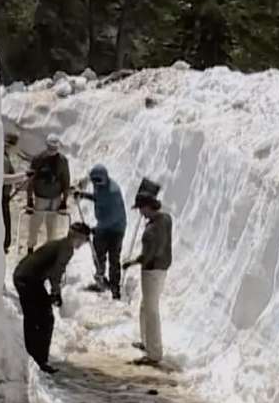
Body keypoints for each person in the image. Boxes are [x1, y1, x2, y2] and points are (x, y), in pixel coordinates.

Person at [14, 222, 92, 373]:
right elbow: (56, 273)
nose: (83, 244)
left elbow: (52, 272)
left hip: (27, 277)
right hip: (28, 280)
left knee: (37, 318)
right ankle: (38, 360)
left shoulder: (60, 244)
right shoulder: (66, 249)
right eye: (84, 239)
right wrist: (56, 293)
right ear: (78, 236)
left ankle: (36, 357)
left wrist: (55, 293)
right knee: (41, 319)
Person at [123, 194, 173, 366]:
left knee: (151, 311)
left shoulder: (150, 231)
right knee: (145, 307)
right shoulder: (166, 218)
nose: (141, 213)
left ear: (148, 207)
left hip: (151, 271)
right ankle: (146, 342)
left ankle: (154, 354)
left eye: (141, 209)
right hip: (163, 268)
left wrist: (131, 262)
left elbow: (147, 256)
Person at [73, 164, 127, 299]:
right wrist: (83, 195)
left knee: (114, 258)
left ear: (104, 178)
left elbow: (111, 218)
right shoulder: (99, 185)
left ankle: (115, 288)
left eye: (97, 181)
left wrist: (95, 229)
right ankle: (101, 280)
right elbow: (98, 197)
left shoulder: (113, 192)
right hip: (103, 226)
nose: (95, 184)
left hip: (116, 228)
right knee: (98, 253)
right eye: (93, 181)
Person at [25, 134, 71, 252]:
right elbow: (30, 179)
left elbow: (66, 181)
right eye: (51, 147)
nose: (53, 150)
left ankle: (49, 250)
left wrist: (64, 201)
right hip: (40, 198)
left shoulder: (62, 161)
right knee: (35, 224)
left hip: (55, 199)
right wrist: (29, 200)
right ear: (47, 146)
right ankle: (30, 247)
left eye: (55, 148)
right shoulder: (38, 159)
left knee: (52, 226)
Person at [2, 133, 30, 254]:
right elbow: (3, 178)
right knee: (4, 228)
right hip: (0, 198)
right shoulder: (3, 159)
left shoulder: (5, 157)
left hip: (4, 198)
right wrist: (22, 176)